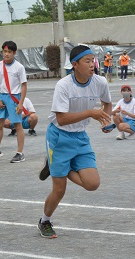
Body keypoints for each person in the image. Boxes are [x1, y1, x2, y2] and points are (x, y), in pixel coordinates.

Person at [37, 45, 113, 238]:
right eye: (87, 61)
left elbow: (107, 103)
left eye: (92, 60)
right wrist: (90, 113)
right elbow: (61, 119)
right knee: (59, 190)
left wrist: (106, 118)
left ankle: (54, 165)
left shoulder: (100, 82)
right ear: (75, 64)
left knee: (92, 183)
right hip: (59, 137)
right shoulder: (63, 85)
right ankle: (45, 221)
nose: (92, 64)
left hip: (80, 137)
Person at [0, 40, 27, 163]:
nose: (6, 54)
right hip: (2, 97)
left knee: (17, 124)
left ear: (14, 53)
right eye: (4, 51)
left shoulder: (19, 67)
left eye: (9, 52)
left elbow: (24, 85)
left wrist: (20, 103)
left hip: (14, 98)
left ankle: (20, 153)